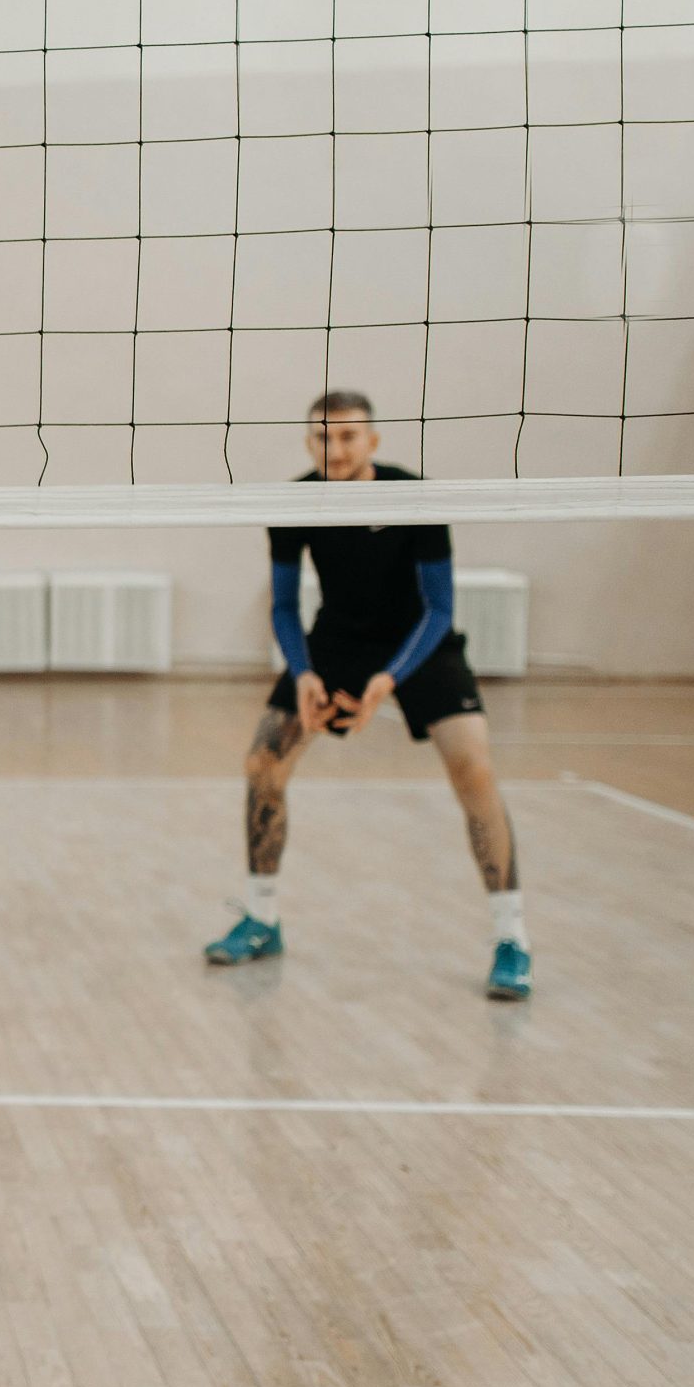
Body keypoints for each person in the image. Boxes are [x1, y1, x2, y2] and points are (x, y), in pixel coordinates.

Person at [207, 390, 531, 1000]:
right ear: (309, 443)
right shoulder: (296, 502)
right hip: (336, 643)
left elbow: (439, 609)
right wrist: (303, 672)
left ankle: (512, 938)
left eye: (348, 437)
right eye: (322, 437)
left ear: (373, 443)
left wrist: (388, 682)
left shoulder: (413, 495)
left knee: (475, 770)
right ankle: (262, 918)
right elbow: (281, 604)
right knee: (263, 763)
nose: (335, 448)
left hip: (421, 643)